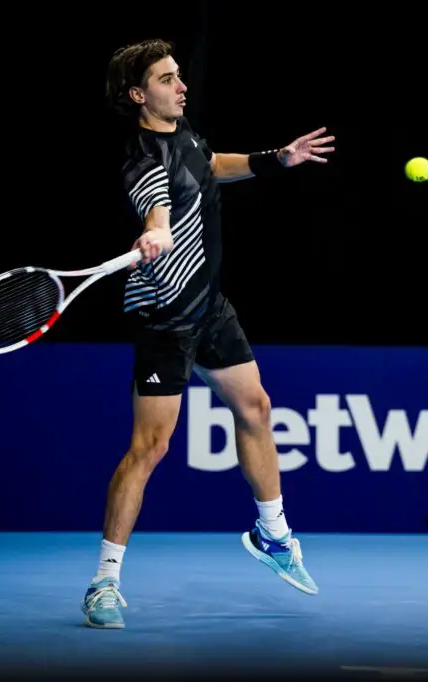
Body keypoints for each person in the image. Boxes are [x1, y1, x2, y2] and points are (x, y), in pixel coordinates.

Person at [82, 38, 335, 629]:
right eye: (167, 79)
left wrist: (276, 159)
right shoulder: (142, 158)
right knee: (150, 448)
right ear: (138, 95)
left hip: (210, 309)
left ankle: (273, 535)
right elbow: (156, 204)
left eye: (179, 75)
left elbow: (211, 164)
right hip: (166, 317)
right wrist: (155, 230)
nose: (182, 86)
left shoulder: (186, 136)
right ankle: (104, 583)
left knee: (256, 407)